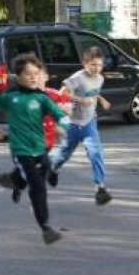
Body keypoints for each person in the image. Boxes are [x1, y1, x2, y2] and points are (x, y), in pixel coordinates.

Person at [0, 53, 71, 244]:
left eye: (36, 73)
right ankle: (46, 228)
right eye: (28, 74)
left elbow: (62, 116)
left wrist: (62, 126)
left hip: (40, 149)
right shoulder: (11, 97)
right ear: (18, 76)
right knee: (37, 186)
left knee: (22, 181)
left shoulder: (42, 98)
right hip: (21, 151)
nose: (33, 77)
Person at [50, 45, 113, 206]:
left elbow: (93, 92)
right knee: (63, 154)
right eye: (93, 64)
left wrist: (102, 100)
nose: (96, 68)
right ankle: (53, 169)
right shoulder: (78, 77)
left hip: (89, 123)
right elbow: (62, 92)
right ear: (84, 64)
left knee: (96, 153)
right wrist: (80, 100)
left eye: (100, 65)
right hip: (73, 124)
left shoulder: (100, 78)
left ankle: (100, 189)